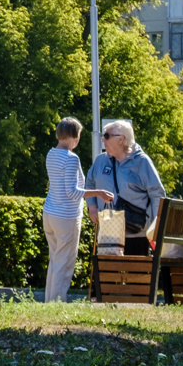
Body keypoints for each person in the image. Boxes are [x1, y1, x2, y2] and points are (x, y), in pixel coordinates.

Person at [43, 117, 113, 301]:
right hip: (66, 216)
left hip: (49, 213)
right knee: (64, 262)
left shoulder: (51, 154)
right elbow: (72, 192)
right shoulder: (71, 158)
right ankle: (57, 302)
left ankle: (49, 300)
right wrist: (98, 193)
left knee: (55, 260)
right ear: (74, 137)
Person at [86, 119, 167, 256]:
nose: (103, 140)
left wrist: (156, 227)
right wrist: (92, 207)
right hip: (108, 233)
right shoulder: (101, 161)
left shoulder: (142, 161)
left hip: (136, 233)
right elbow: (89, 183)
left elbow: (157, 194)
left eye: (106, 136)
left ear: (121, 139)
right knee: (107, 275)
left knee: (137, 276)